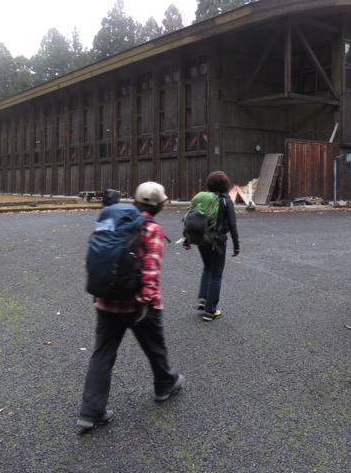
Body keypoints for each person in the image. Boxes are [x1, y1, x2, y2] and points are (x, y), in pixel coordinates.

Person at [77, 181, 184, 432]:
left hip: (106, 301)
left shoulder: (115, 220)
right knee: (155, 347)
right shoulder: (151, 229)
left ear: (135, 201)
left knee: (102, 355)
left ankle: (91, 412)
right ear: (158, 205)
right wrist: (149, 303)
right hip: (136, 305)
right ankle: (165, 383)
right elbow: (150, 271)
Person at [184, 170, 240, 322]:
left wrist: (187, 239)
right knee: (216, 274)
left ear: (209, 185)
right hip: (218, 241)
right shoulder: (225, 200)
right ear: (226, 186)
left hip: (202, 239)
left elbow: (191, 218)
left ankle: (203, 298)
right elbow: (233, 225)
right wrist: (236, 246)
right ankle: (210, 311)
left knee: (207, 268)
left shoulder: (202, 197)